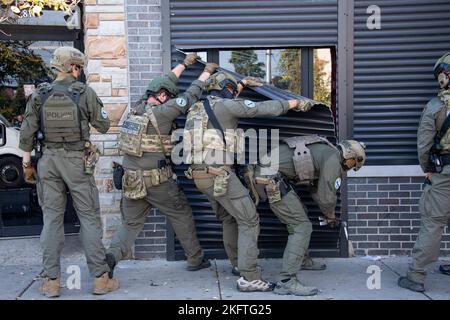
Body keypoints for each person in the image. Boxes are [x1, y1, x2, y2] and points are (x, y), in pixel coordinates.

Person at [183, 71, 323, 292]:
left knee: (231, 218)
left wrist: (242, 83)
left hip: (200, 175)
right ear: (225, 91)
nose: (234, 93)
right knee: (249, 220)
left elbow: (229, 96)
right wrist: (293, 102)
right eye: (232, 90)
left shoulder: (198, 109)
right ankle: (249, 277)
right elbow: (258, 108)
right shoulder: (225, 106)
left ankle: (239, 264)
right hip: (219, 175)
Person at [106, 54, 218, 276]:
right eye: (168, 96)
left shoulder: (136, 108)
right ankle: (195, 259)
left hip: (131, 180)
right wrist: (206, 73)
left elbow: (162, 82)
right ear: (164, 96)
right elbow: (191, 96)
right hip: (158, 182)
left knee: (129, 225)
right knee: (182, 214)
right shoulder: (164, 112)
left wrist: (184, 65)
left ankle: (111, 257)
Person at [19, 46, 117, 297]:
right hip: (76, 161)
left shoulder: (39, 94)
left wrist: (27, 165)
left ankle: (52, 282)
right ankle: (100, 280)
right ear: (73, 67)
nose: (80, 72)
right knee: (89, 218)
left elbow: (27, 135)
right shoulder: (84, 92)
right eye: (79, 67)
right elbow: (104, 125)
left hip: (47, 161)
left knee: (51, 220)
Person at [252, 136, 366, 295]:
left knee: (301, 215)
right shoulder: (333, 159)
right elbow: (327, 195)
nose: (351, 168)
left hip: (267, 176)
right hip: (269, 180)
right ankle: (286, 281)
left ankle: (302, 260)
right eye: (354, 163)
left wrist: (327, 212)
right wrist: (330, 215)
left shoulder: (326, 151)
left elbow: (317, 190)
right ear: (349, 155)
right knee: (302, 226)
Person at [398, 52, 450, 292]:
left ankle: (416, 277)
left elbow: (424, 145)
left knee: (433, 222)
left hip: (444, 174)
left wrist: (428, 169)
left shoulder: (436, 106)